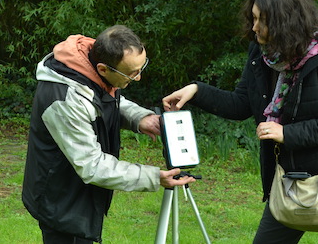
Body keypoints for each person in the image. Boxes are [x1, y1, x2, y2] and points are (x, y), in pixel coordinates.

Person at [162, 0, 318, 243]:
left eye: (261, 20)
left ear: (285, 22)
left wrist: (287, 133)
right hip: (288, 177)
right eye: (253, 18)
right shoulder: (262, 53)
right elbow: (241, 104)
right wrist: (197, 91)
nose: (254, 27)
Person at [22, 25, 195, 244]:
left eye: (142, 67)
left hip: (78, 190)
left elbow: (108, 101)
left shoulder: (90, 67)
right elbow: (92, 165)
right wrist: (153, 177)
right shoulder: (65, 99)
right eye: (132, 73)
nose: (139, 77)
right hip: (61, 198)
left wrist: (140, 119)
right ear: (103, 69)